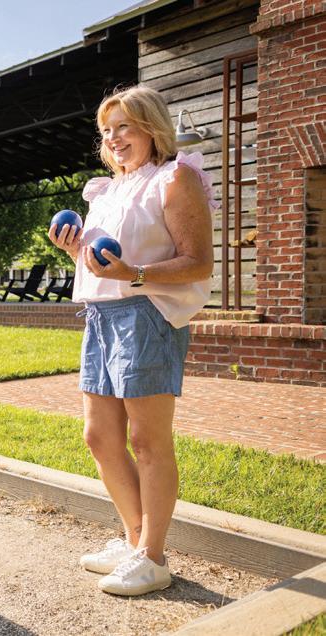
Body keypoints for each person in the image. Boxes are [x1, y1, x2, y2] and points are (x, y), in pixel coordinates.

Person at [48, 85, 215, 596]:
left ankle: (153, 557)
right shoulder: (106, 190)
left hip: (147, 316)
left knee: (147, 440)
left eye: (123, 126)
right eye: (106, 131)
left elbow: (198, 262)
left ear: (151, 126)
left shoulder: (176, 177)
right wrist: (74, 251)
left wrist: (133, 273)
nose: (114, 138)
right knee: (99, 437)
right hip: (100, 316)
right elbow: (104, 264)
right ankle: (133, 540)